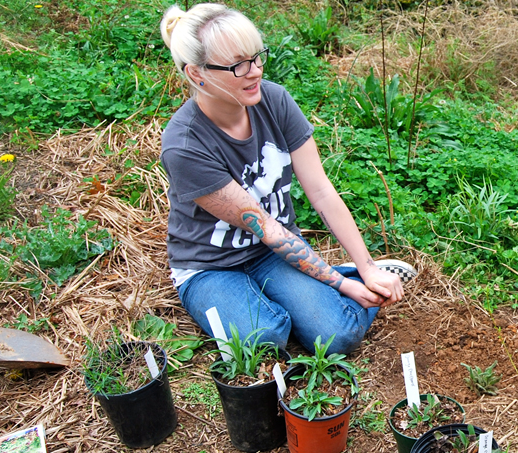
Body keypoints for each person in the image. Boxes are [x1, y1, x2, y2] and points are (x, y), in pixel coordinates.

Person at [158, 4, 415, 355]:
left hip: (271, 254)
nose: (255, 72)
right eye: (238, 65)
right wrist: (341, 285)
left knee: (336, 336)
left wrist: (367, 268)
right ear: (197, 73)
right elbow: (263, 224)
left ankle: (345, 278)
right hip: (209, 267)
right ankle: (329, 282)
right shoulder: (185, 145)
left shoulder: (275, 101)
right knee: (262, 341)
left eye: (256, 57)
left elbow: (321, 190)